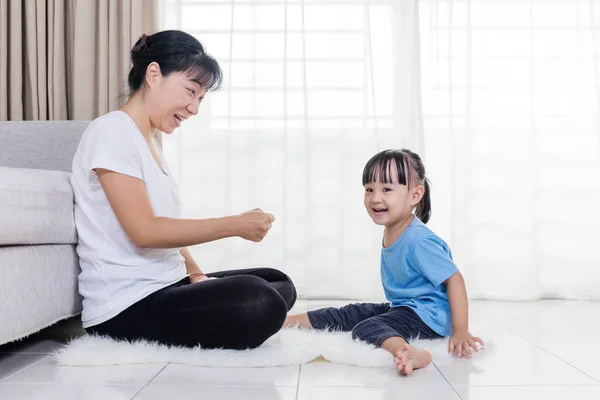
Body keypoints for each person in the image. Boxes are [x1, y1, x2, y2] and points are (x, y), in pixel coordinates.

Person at [70, 30, 296, 350]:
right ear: (153, 74)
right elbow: (146, 231)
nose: (194, 108)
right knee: (261, 301)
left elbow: (167, 228)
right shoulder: (111, 132)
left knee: (279, 283)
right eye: (190, 91)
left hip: (166, 283)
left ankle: (221, 317)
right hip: (126, 305)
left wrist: (196, 275)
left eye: (200, 98)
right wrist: (234, 225)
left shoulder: (149, 140)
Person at [284, 149, 483, 375]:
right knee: (352, 312)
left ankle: (410, 353)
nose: (375, 198)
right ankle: (285, 321)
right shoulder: (395, 229)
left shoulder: (418, 240)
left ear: (415, 196)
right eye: (369, 189)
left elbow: (454, 279)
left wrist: (460, 330)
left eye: (386, 189)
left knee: (368, 327)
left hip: (429, 317)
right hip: (407, 307)